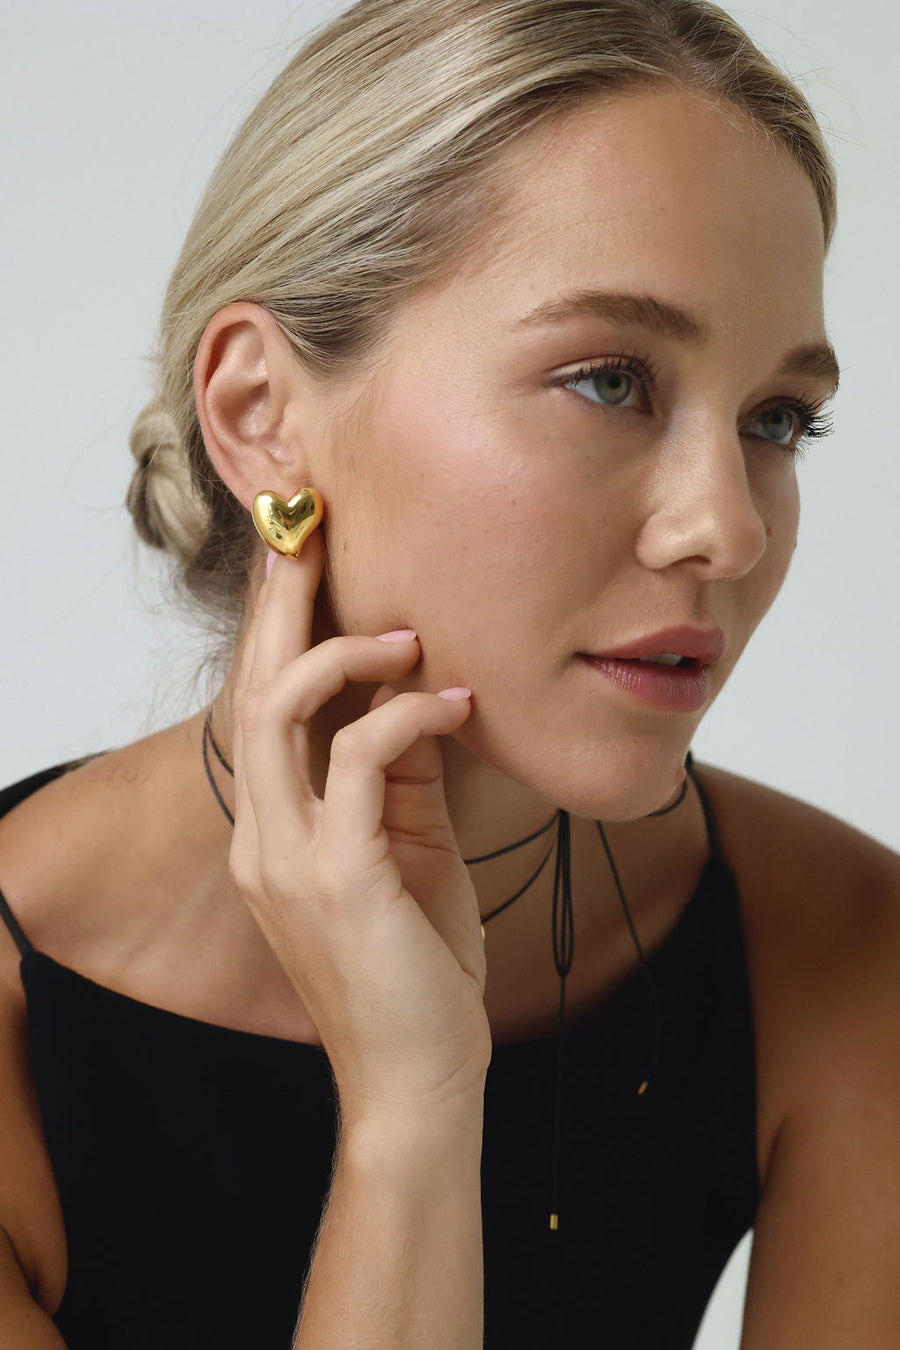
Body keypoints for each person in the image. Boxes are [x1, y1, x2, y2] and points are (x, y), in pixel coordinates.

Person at [0, 0, 898, 1345]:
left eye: (778, 418)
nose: (732, 526)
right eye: (610, 380)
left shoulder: (843, 950)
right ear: (260, 416)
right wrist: (414, 1112)